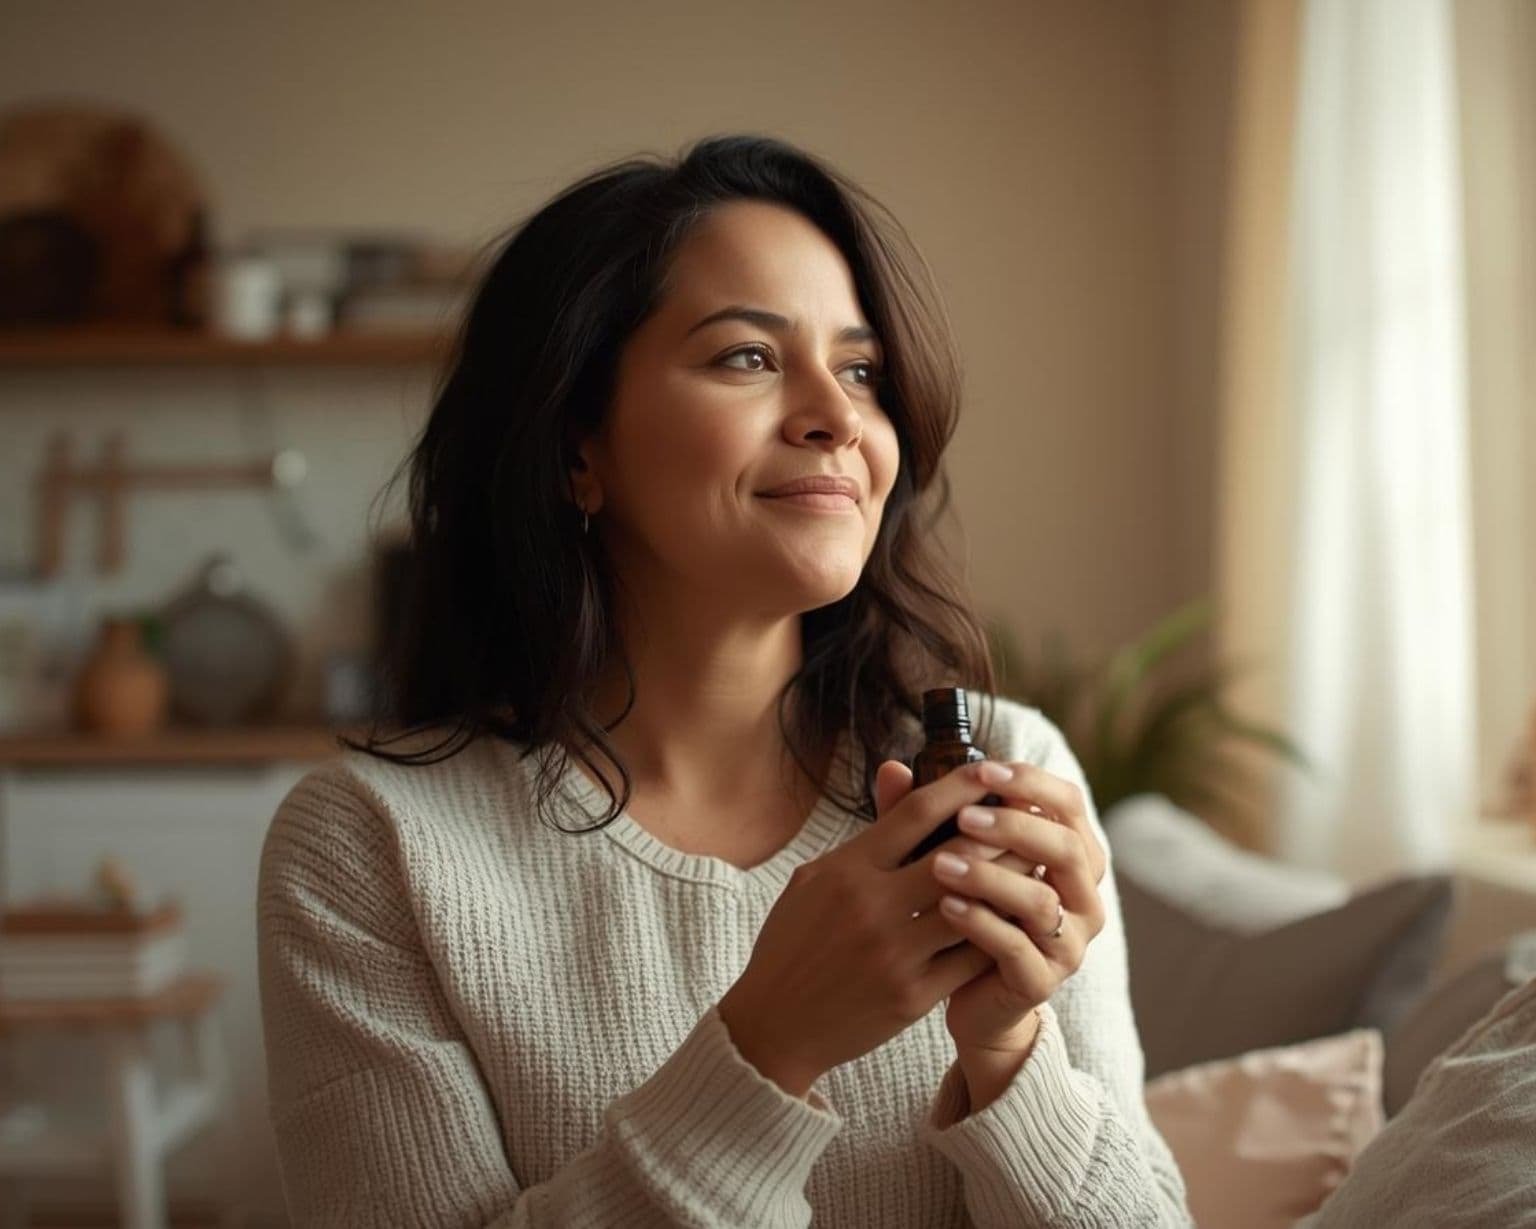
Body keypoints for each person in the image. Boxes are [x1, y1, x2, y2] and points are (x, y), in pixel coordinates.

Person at [257, 134, 1192, 1228]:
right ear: (575, 446)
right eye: (747, 357)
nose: (837, 418)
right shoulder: (370, 848)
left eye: (862, 370)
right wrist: (768, 1047)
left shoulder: (1003, 771)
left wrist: (1008, 1050)